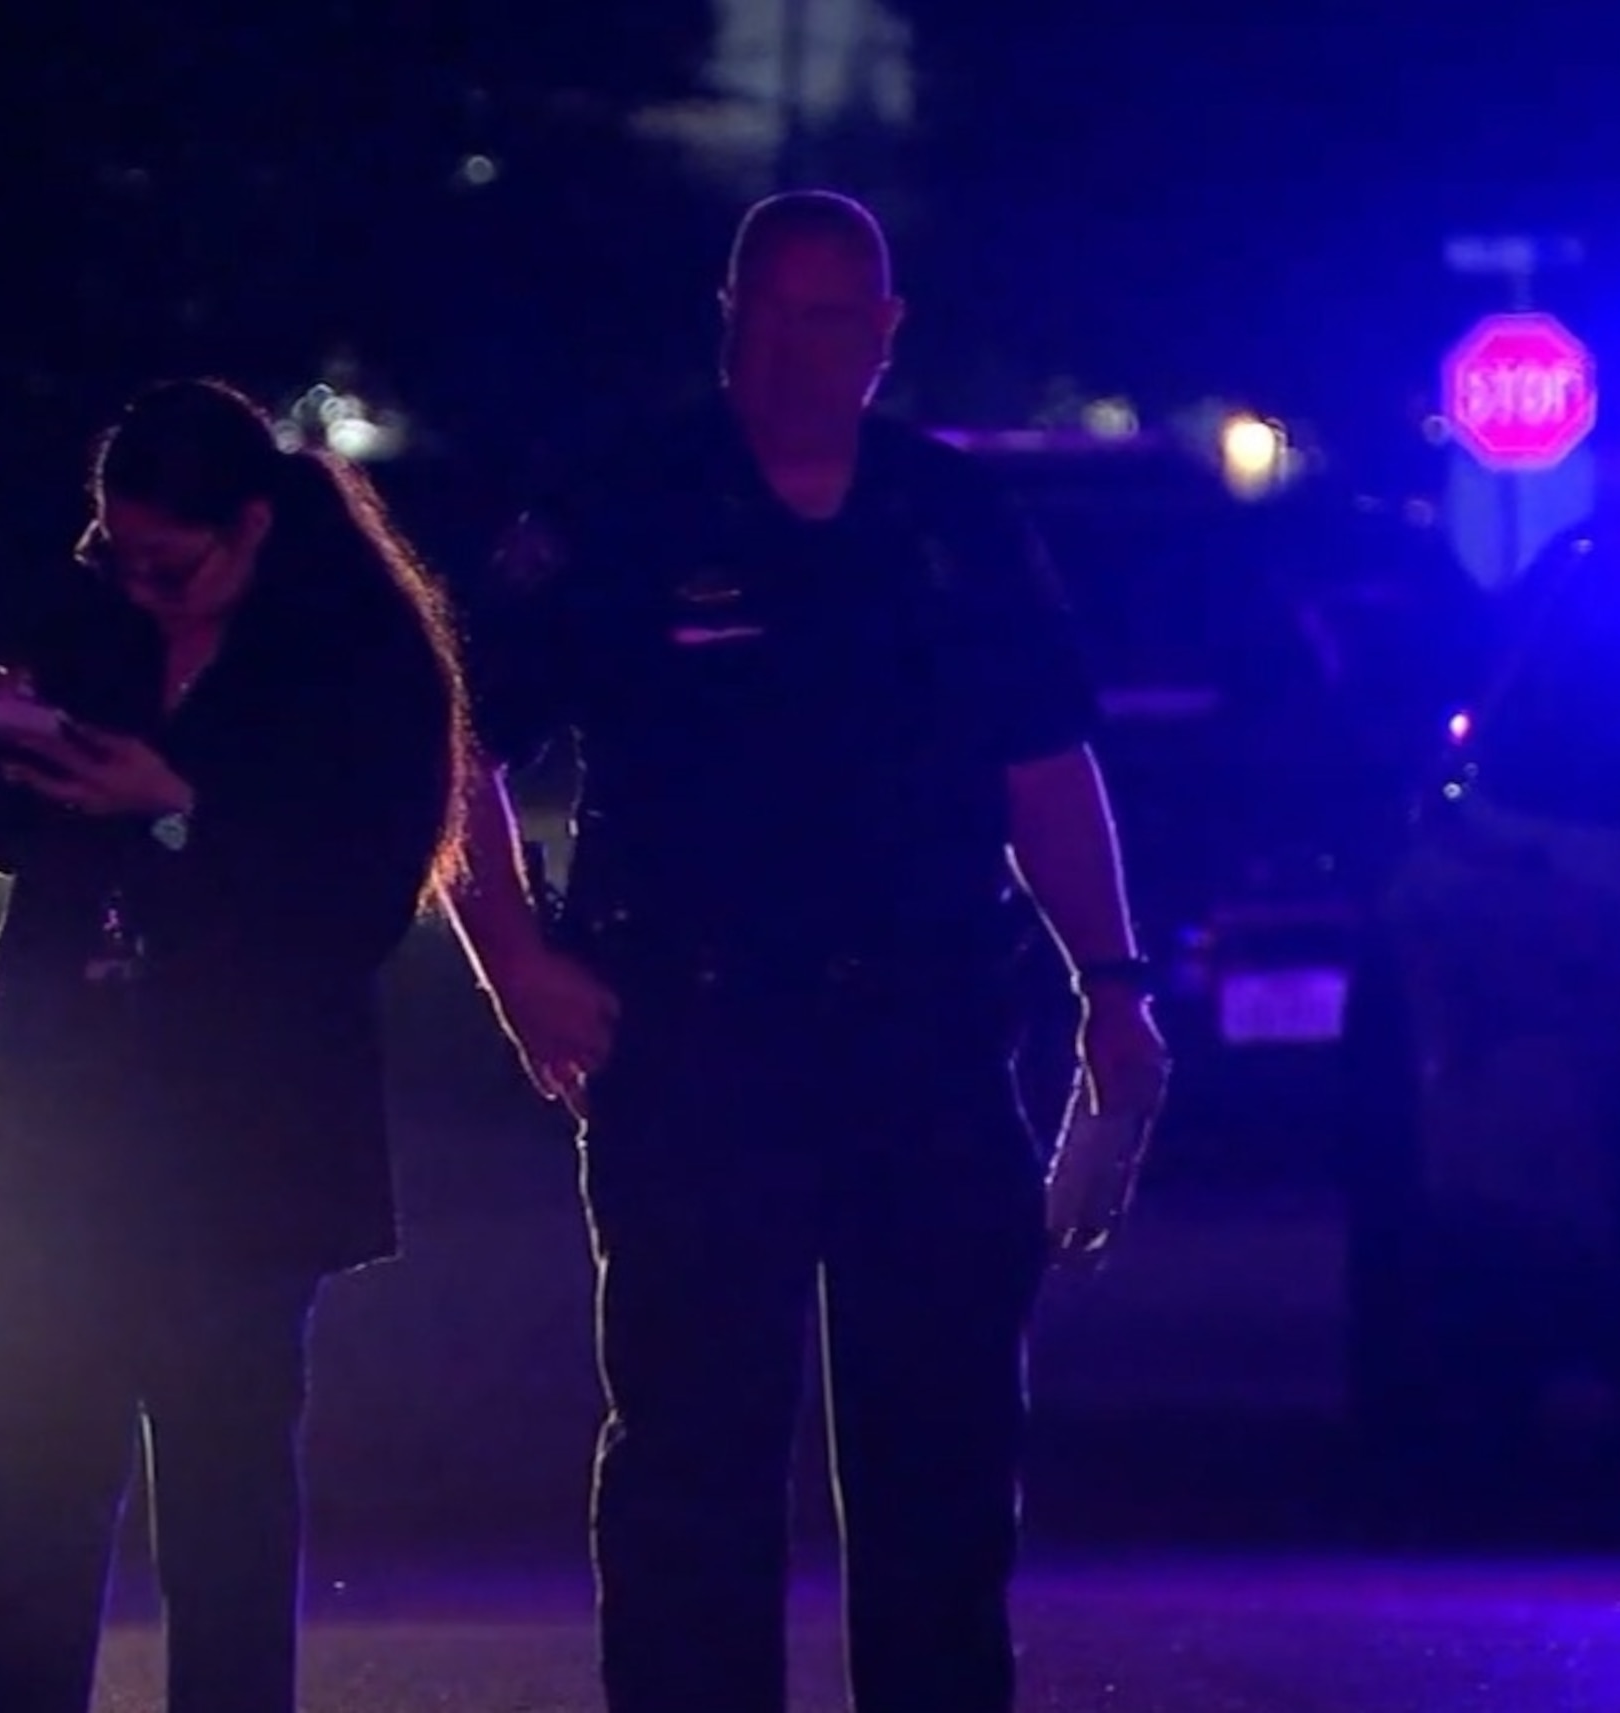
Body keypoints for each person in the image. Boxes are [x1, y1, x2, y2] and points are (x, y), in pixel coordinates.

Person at [441, 190, 1170, 1713]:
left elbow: (1045, 763)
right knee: (695, 1476)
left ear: (886, 334)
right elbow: (458, 738)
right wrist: (514, 956)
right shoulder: (622, 502)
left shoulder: (952, 521)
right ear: (726, 319)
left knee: (946, 1473)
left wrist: (1113, 983)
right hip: (700, 1046)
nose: (796, 350)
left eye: (832, 318)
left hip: (927, 1048)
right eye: (767, 315)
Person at [0, 377, 469, 1713]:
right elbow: (5, 831)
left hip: (243, 1143)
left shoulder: (357, 659)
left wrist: (175, 811)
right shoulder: (98, 616)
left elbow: (349, 905)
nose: (144, 587)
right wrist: (8, 741)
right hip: (65, 1117)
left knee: (224, 1508)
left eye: (174, 564)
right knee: (19, 1490)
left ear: (255, 525)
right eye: (120, 554)